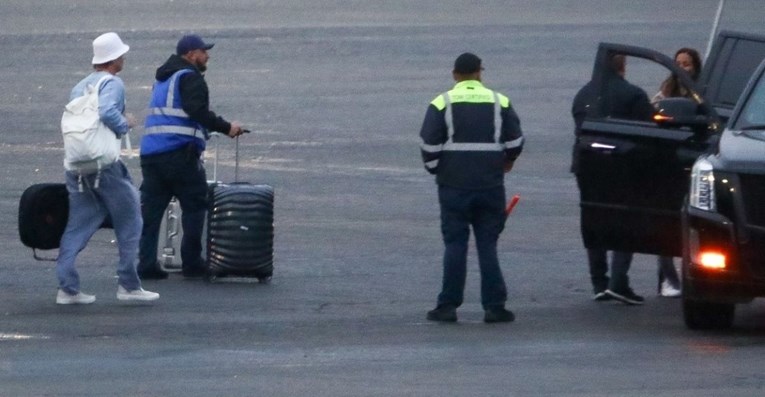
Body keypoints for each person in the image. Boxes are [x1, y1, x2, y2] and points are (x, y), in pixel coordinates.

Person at [56, 32, 160, 304]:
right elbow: (105, 111)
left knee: (79, 223)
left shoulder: (80, 86)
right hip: (104, 165)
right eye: (121, 55)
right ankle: (128, 285)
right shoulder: (113, 82)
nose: (123, 59)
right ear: (114, 59)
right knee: (131, 219)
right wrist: (125, 123)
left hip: (77, 166)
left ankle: (67, 288)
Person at [420, 52, 524, 323]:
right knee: (487, 245)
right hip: (490, 185)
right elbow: (515, 141)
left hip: (453, 186)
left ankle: (448, 306)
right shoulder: (499, 101)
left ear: (455, 75)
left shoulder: (442, 102)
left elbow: (429, 144)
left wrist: (437, 169)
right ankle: (495, 307)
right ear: (480, 73)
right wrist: (506, 162)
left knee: (455, 244)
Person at [137, 34, 245, 279]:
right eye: (203, 51)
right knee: (195, 206)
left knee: (152, 213)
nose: (207, 56)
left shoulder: (164, 80)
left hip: (152, 155)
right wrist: (227, 127)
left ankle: (146, 264)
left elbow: (176, 115)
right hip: (180, 155)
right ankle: (192, 263)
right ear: (190, 54)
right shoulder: (190, 77)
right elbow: (196, 111)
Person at [571, 53, 653, 305]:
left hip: (586, 165)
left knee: (594, 218)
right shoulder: (634, 95)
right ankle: (618, 282)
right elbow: (650, 131)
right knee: (626, 219)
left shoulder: (583, 94)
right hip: (622, 165)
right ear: (623, 65)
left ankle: (599, 282)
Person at [651, 48, 702, 298]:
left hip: (694, 163)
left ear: (696, 67)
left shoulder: (702, 92)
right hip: (668, 164)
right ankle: (668, 280)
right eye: (678, 63)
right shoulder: (665, 90)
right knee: (666, 224)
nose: (682, 67)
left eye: (687, 64)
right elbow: (653, 114)